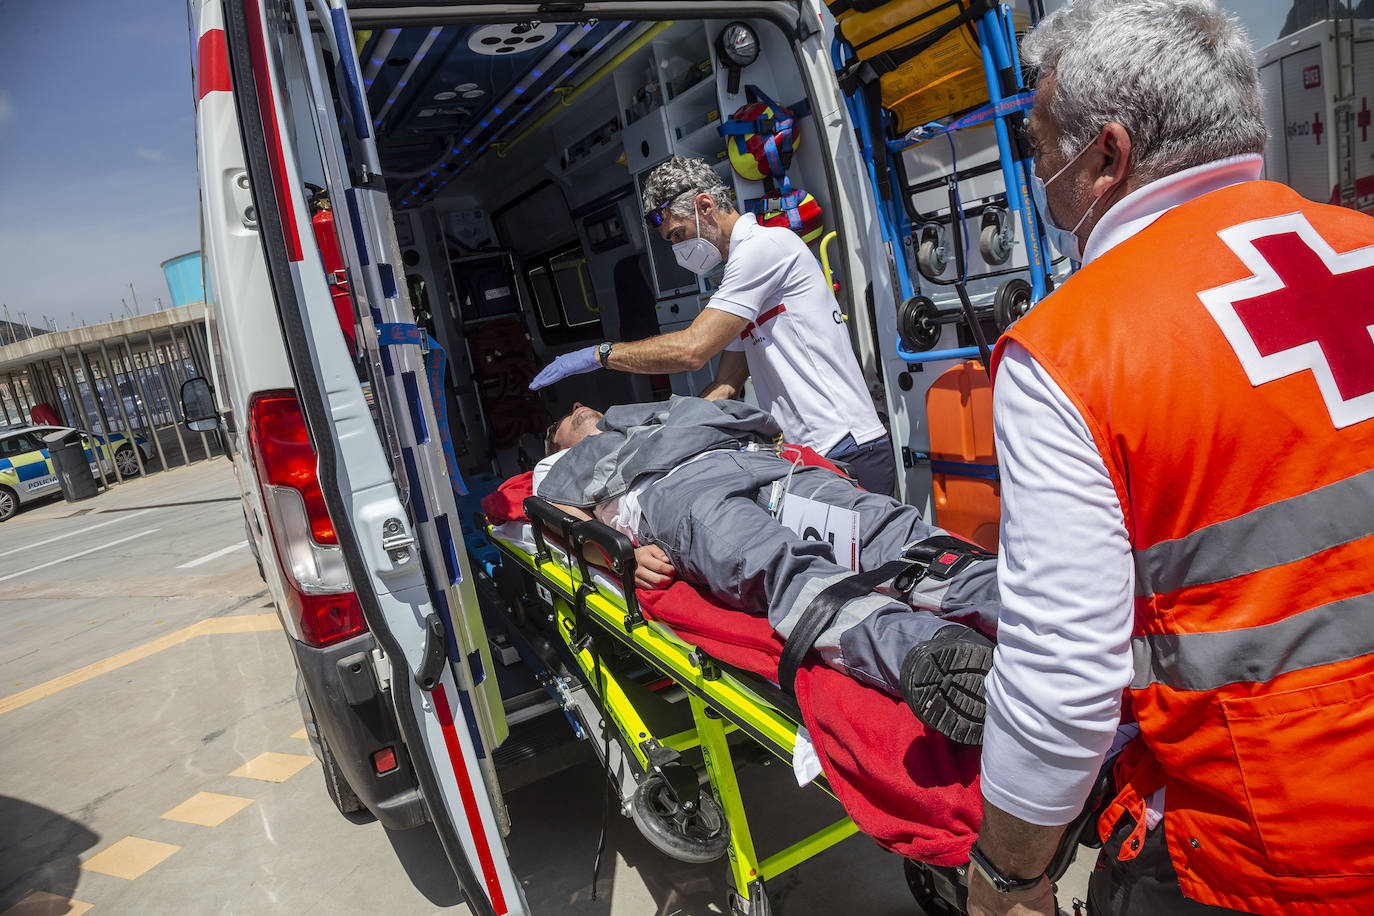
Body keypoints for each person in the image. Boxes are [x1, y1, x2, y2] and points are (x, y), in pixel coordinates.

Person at [968, 3, 1374, 915]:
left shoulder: (1072, 350)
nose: (1040, 177)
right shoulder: (1365, 248)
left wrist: (1008, 876)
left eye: (1041, 150)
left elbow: (1064, 680)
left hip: (1282, 851)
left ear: (1106, 155)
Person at [533, 396, 998, 741]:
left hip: (758, 458)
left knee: (882, 526)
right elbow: (554, 514)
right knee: (782, 567)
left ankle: (1009, 603)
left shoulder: (645, 412)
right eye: (563, 421)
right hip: (681, 493)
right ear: (557, 444)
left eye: (578, 407)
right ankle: (926, 651)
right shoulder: (555, 466)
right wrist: (617, 554)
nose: (575, 408)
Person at [529, 155, 898, 496]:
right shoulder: (741, 278)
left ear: (704, 206)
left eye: (677, 234)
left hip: (847, 447)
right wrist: (661, 437)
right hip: (809, 456)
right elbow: (726, 385)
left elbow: (693, 350)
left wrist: (600, 354)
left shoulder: (764, 248)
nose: (677, 249)